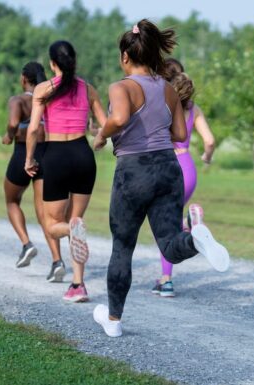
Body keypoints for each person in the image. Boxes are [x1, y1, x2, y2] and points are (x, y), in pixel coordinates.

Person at [92, 19, 230, 338]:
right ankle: (195, 239)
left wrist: (102, 136)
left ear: (125, 56)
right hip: (169, 167)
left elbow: (120, 117)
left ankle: (113, 320)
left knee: (123, 246)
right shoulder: (168, 89)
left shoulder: (121, 86)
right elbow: (180, 133)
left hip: (134, 170)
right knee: (170, 245)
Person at [25, 40, 108, 302]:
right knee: (76, 219)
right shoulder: (88, 89)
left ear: (52, 64)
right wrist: (99, 138)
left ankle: (74, 233)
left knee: (52, 226)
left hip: (57, 156)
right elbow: (106, 126)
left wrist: (29, 159)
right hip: (83, 156)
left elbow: (33, 129)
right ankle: (77, 285)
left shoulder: (43, 89)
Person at [151, 70, 217, 297]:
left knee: (164, 225)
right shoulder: (194, 110)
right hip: (188, 168)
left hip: (166, 166)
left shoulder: (162, 108)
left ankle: (166, 280)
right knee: (171, 219)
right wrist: (207, 158)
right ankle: (190, 224)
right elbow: (209, 141)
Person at [2, 62, 66, 282]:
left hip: (23, 154)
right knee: (45, 215)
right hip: (46, 155)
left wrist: (9, 135)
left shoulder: (17, 100)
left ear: (23, 79)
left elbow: (12, 123)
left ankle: (26, 244)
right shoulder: (49, 99)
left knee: (12, 201)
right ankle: (57, 261)